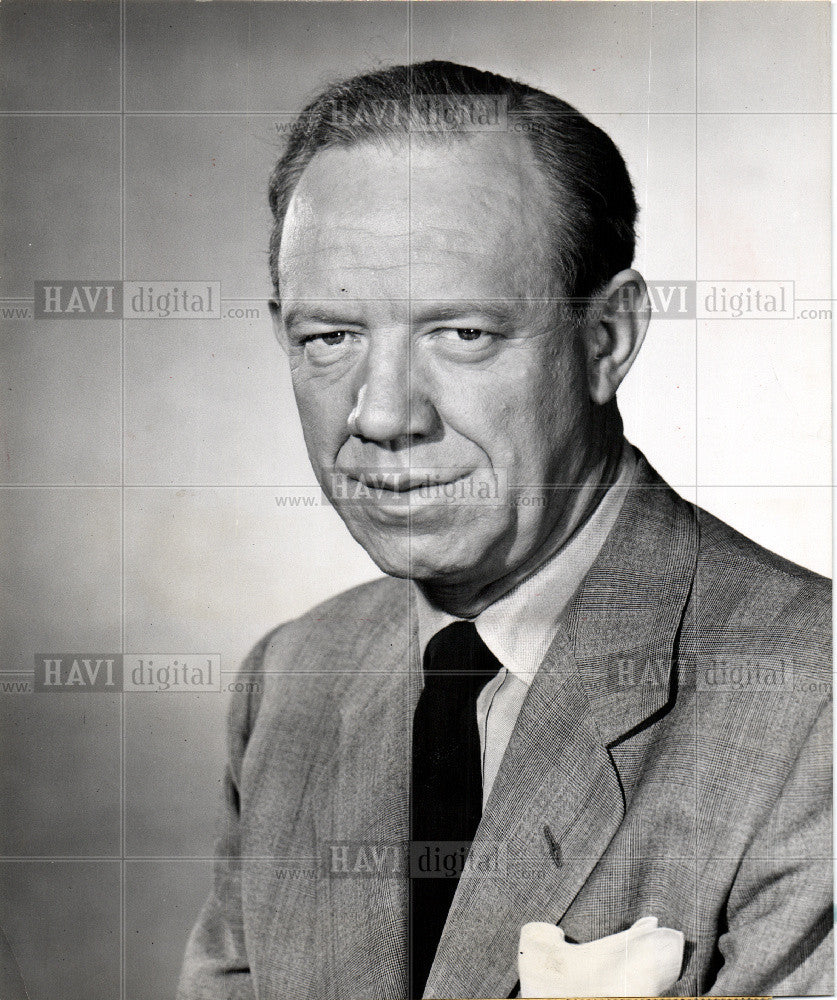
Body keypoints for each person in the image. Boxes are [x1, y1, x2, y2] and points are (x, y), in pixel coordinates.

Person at [178, 61, 832, 999]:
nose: (383, 412)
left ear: (606, 338)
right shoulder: (291, 677)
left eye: (464, 334)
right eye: (331, 337)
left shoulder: (815, 705)